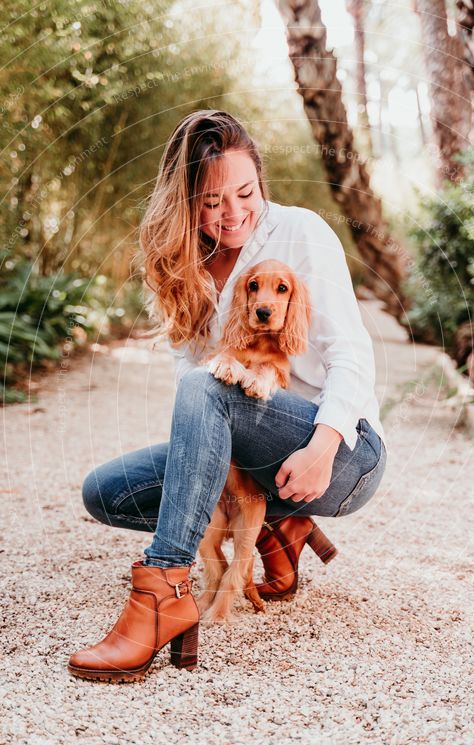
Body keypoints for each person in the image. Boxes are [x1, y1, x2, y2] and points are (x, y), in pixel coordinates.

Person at [68, 109, 387, 682]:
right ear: (185, 201)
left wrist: (322, 444)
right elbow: (189, 390)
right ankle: (273, 527)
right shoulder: (178, 267)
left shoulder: (302, 233)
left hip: (339, 452)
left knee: (207, 385)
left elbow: (352, 354)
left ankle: (164, 588)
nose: (234, 213)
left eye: (246, 192)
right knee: (105, 494)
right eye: (213, 202)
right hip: (248, 457)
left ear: (261, 181)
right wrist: (213, 484)